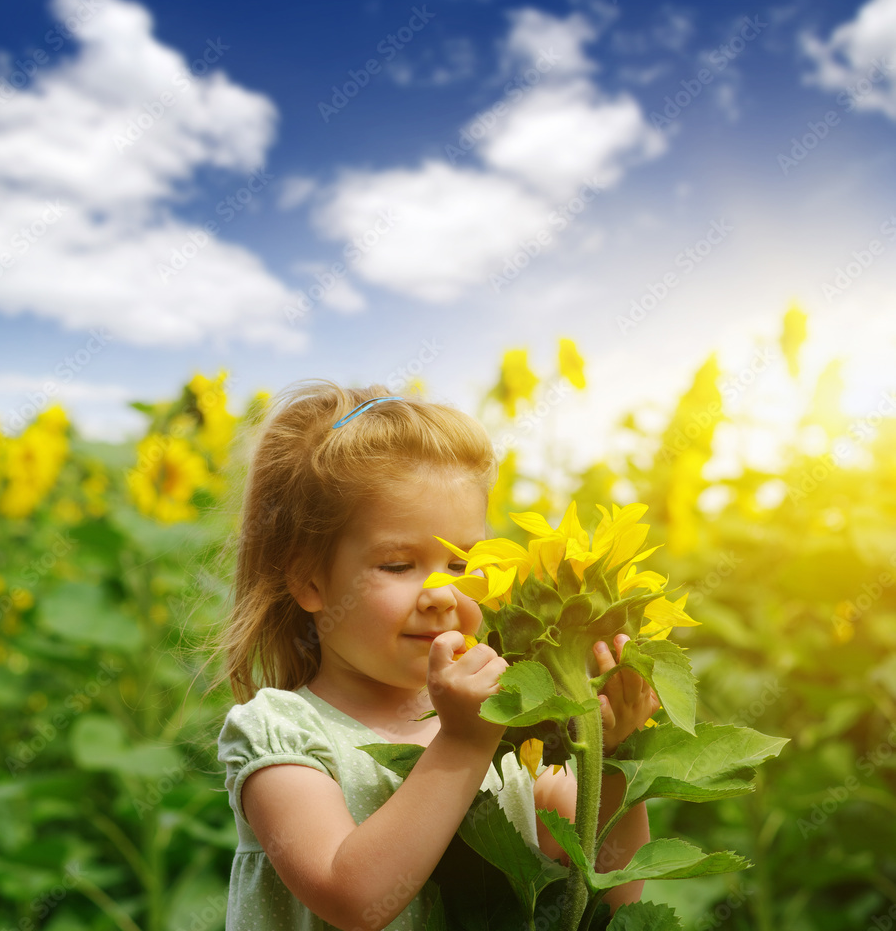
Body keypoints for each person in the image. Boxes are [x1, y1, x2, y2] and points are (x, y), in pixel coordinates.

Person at [216, 382, 657, 931]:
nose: (443, 593)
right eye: (398, 565)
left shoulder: (515, 731)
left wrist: (613, 757)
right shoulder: (281, 733)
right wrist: (462, 742)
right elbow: (351, 897)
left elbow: (608, 894)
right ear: (310, 580)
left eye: (462, 563)